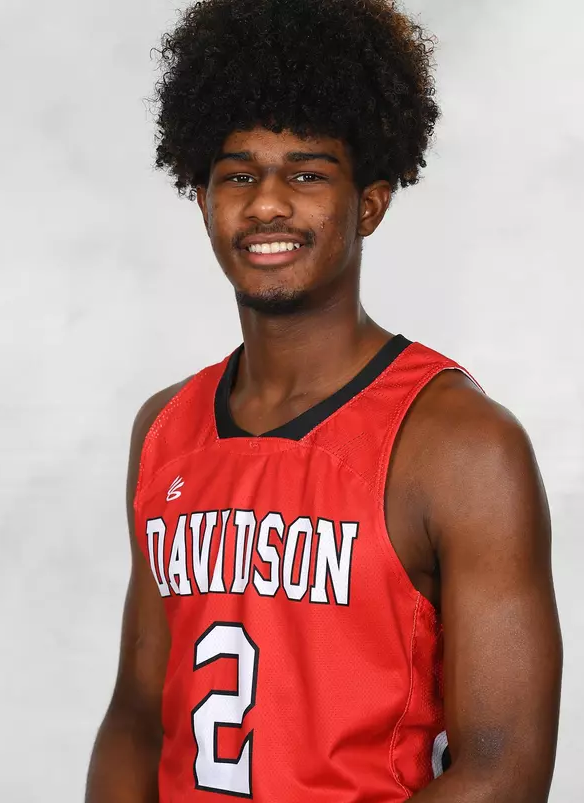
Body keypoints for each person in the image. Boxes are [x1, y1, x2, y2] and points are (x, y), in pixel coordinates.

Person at [85, 1, 562, 801]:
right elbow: (138, 715)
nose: (267, 204)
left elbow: (502, 770)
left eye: (305, 174)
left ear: (368, 204)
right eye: (237, 174)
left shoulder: (461, 446)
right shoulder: (164, 428)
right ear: (201, 199)